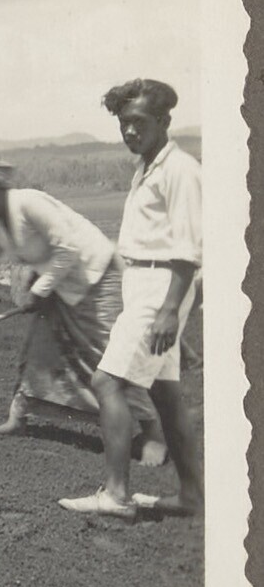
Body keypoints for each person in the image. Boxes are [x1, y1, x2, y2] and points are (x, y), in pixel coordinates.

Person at [0, 156, 168, 466]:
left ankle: (153, 433)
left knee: (111, 357)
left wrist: (39, 290)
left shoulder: (29, 203)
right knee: (39, 352)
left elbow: (69, 247)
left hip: (97, 276)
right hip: (58, 286)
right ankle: (17, 419)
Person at [58, 79, 203, 518]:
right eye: (124, 123)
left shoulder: (180, 170)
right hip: (146, 286)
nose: (129, 131)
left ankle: (116, 494)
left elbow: (188, 251)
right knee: (165, 393)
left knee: (106, 383)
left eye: (138, 122)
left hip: (161, 287)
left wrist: (168, 311)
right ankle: (191, 495)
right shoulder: (147, 168)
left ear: (164, 120)